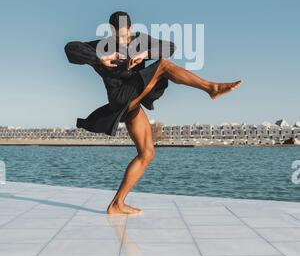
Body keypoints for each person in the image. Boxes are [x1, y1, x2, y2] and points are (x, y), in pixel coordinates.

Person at [65, 11, 242, 215]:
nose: (121, 39)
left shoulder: (139, 40)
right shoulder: (102, 46)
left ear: (130, 30)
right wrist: (100, 58)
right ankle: (212, 88)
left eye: (124, 35)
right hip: (120, 98)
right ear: (111, 31)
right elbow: (70, 49)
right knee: (164, 66)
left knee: (147, 153)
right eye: (117, 35)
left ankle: (117, 204)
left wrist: (144, 54)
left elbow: (171, 47)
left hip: (134, 100)